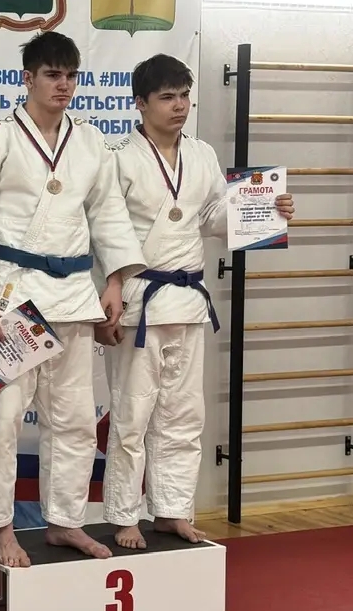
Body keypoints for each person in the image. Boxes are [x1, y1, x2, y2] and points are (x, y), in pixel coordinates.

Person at [0, 32, 144, 570]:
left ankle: (64, 520)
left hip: (75, 295)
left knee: (75, 419)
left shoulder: (90, 142)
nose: (64, 85)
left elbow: (108, 216)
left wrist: (113, 284)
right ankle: (0, 527)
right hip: (12, 295)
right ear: (28, 78)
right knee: (4, 419)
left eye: (71, 75)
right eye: (53, 75)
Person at [100, 53, 295, 547]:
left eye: (185, 96)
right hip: (141, 300)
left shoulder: (202, 154)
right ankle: (123, 514)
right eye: (167, 97)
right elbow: (104, 230)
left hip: (188, 300)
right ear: (140, 103)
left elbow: (210, 218)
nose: (179, 106)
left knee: (183, 415)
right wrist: (112, 289)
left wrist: (268, 210)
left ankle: (171, 510)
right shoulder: (117, 157)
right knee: (131, 416)